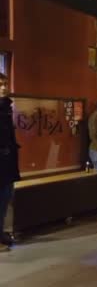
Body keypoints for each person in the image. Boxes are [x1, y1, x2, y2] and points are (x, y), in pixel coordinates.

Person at [0, 73, 20, 250]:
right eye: (0, 84)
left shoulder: (7, 106)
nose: (4, 87)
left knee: (6, 197)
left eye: (5, 83)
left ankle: (2, 233)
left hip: (8, 161)